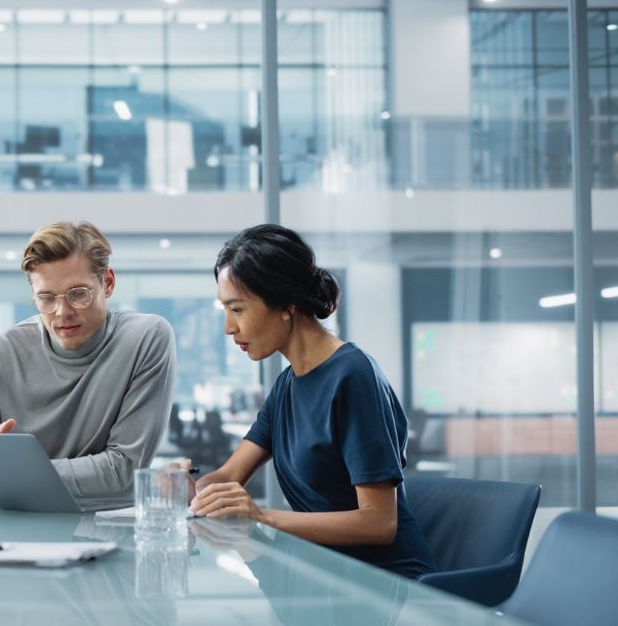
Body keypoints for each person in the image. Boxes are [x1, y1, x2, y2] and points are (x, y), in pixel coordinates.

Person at [184, 224, 435, 578]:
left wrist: (261, 516)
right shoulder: (288, 384)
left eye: (237, 310)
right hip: (320, 571)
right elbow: (229, 475)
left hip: (384, 582)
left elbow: (379, 523)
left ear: (286, 305)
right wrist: (191, 489)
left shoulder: (353, 377)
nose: (228, 327)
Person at [0, 221, 177, 500]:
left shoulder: (146, 338)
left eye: (78, 294)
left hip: (108, 529)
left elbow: (123, 472)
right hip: (15, 534)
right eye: (46, 298)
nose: (62, 312)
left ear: (108, 283)